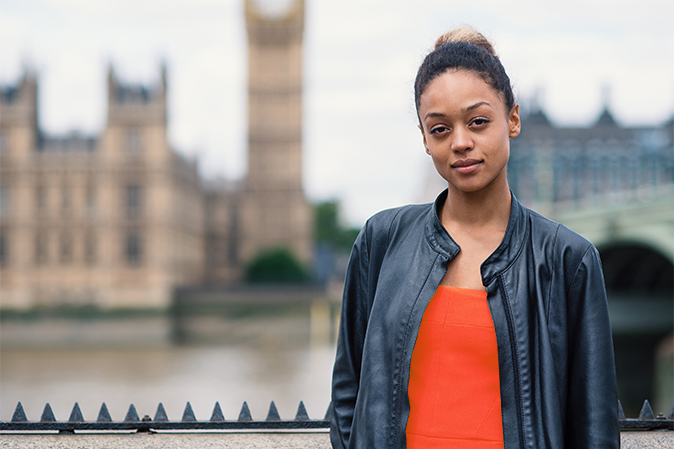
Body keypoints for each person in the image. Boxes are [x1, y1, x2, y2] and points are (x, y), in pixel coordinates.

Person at [330, 27, 619, 448]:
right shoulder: (381, 240)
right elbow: (347, 394)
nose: (461, 142)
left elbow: (594, 427)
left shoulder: (567, 259)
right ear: (425, 140)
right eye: (440, 129)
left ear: (513, 120)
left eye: (478, 122)